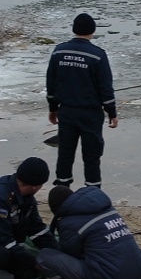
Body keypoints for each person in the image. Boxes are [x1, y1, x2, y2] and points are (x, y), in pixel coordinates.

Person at [37, 185, 141, 279]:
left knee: (44, 257)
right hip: (138, 274)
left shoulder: (69, 222)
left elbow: (70, 255)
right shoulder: (107, 208)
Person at [46, 13, 117, 189]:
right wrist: (112, 112)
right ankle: (92, 192)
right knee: (92, 155)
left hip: (67, 111)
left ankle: (62, 190)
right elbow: (105, 87)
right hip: (90, 114)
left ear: (74, 29)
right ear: (92, 31)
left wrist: (53, 108)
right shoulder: (98, 55)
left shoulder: (59, 51)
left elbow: (51, 83)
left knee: (65, 153)